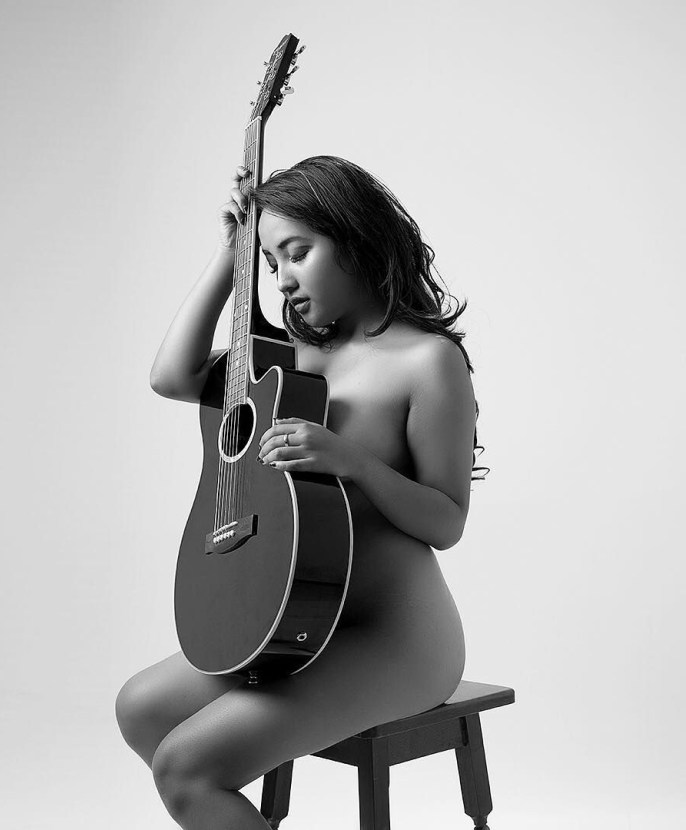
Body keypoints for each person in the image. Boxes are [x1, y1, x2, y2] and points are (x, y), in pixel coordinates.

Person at [115, 155, 489, 829]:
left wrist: (354, 462)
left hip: (393, 636)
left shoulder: (427, 361)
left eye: (297, 252)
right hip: (298, 619)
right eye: (270, 261)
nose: (283, 278)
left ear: (355, 238)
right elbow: (172, 377)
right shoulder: (291, 353)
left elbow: (447, 521)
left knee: (187, 766)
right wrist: (231, 254)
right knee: (141, 708)